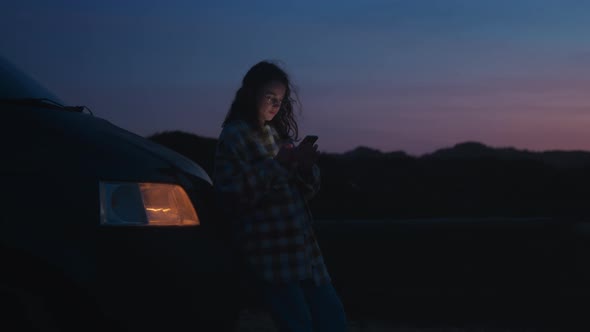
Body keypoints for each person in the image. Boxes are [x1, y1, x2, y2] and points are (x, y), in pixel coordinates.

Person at [213, 60, 348, 332]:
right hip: (271, 254)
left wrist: (306, 167)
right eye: (269, 97)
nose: (276, 105)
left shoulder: (277, 135)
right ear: (251, 94)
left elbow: (304, 193)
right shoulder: (234, 135)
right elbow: (230, 195)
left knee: (333, 319)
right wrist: (278, 165)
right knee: (298, 324)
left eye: (280, 100)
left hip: (306, 252)